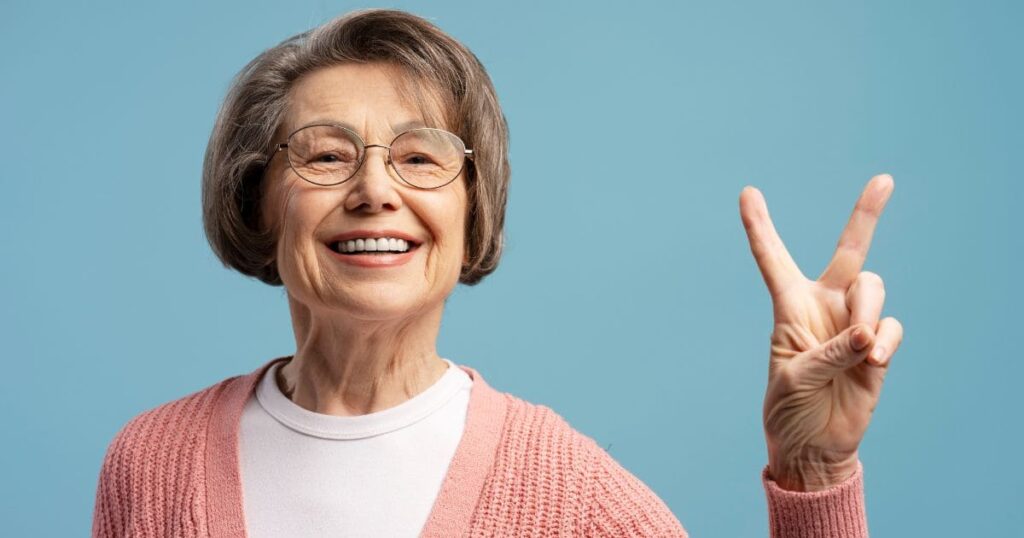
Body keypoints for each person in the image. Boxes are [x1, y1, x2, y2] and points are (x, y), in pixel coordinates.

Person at [91, 8, 903, 537]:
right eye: (329, 154)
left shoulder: (576, 499)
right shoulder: (153, 463)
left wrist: (815, 475)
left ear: (472, 213)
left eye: (421, 157)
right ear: (258, 200)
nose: (376, 191)